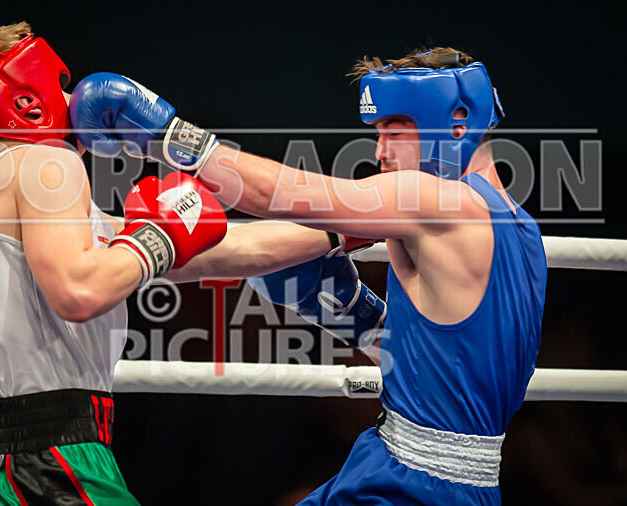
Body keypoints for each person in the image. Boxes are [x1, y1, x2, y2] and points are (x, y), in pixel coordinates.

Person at [0, 22, 385, 505]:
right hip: (50, 460)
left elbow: (216, 253)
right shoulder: (45, 165)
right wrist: (159, 234)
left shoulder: (13, 179)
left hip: (1, 464)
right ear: (26, 100)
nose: (71, 95)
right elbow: (80, 291)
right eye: (60, 83)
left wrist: (343, 228)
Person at [69, 46, 547, 504]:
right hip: (441, 478)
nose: (380, 151)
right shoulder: (521, 233)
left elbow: (277, 193)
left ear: (457, 125)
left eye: (396, 132)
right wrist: (361, 318)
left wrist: (165, 133)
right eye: (376, 132)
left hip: (413, 487)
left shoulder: (439, 202)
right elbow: (249, 248)